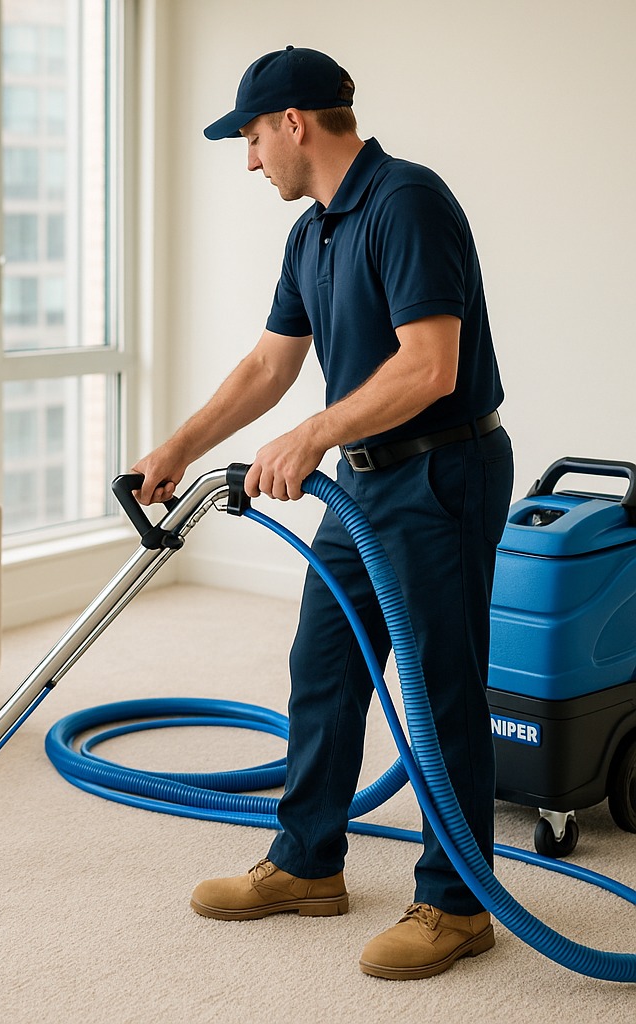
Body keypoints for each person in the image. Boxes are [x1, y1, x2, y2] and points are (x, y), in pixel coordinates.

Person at [131, 46, 514, 980]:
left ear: (294, 122)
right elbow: (269, 366)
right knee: (325, 666)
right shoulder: (314, 235)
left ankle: (458, 906)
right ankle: (307, 863)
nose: (251, 160)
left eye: (254, 138)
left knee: (438, 686)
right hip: (364, 479)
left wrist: (311, 436)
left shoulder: (406, 203)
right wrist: (176, 448)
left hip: (440, 473)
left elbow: (433, 367)